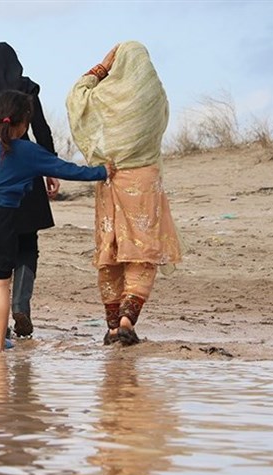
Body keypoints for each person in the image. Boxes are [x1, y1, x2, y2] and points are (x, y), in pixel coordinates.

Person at [0, 90, 114, 353]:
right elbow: (67, 170)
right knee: (2, 283)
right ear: (23, 124)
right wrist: (102, 171)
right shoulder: (28, 151)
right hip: (4, 218)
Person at [66, 41, 182, 346]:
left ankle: (114, 325)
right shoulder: (154, 95)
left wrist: (101, 68)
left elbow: (75, 97)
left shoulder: (103, 96)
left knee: (111, 251)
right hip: (145, 180)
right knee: (142, 251)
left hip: (109, 178)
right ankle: (128, 319)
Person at [0, 42, 60, 338]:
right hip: (24, 173)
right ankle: (19, 303)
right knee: (27, 242)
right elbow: (41, 129)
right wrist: (50, 169)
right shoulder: (24, 89)